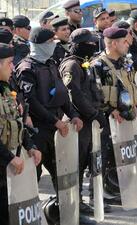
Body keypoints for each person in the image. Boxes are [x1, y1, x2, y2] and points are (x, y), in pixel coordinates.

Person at [15, 27, 84, 221]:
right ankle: (34, 218)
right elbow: (31, 102)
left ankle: (67, 214)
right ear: (38, 45)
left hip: (56, 127)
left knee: (63, 173)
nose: (53, 45)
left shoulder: (52, 63)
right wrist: (55, 122)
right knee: (32, 179)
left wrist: (73, 114)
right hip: (38, 129)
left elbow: (62, 93)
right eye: (49, 42)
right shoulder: (27, 69)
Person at [59, 28, 111, 215]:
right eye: (88, 44)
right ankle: (75, 202)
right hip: (79, 121)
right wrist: (93, 114)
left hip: (89, 120)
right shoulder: (72, 65)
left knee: (92, 160)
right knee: (77, 164)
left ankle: (91, 198)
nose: (92, 46)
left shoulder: (84, 63)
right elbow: (74, 95)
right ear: (78, 45)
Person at [90, 27, 137, 201]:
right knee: (101, 156)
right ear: (114, 43)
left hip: (124, 117)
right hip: (106, 118)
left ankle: (109, 189)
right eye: (125, 41)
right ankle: (96, 196)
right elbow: (95, 94)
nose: (128, 44)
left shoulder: (124, 62)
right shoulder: (98, 65)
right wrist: (111, 110)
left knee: (114, 156)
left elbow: (128, 85)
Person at [0, 43, 41, 225]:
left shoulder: (5, 90)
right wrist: (9, 157)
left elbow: (17, 122)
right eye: (9, 63)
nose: (13, 67)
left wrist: (30, 146)